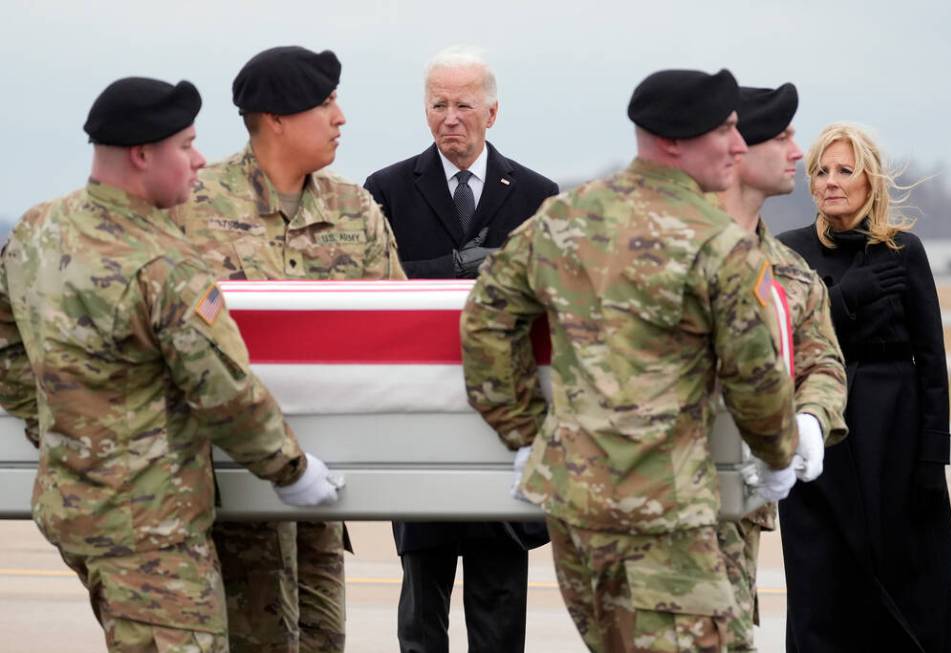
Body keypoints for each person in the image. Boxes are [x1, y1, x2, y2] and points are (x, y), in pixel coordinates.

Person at [461, 68, 803, 653]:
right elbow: (756, 377)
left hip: (574, 508)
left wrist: (524, 433)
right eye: (724, 131)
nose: (739, 145)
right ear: (674, 142)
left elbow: (485, 318)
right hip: (664, 519)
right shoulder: (717, 243)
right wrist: (779, 454)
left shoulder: (565, 218)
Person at [0, 77, 340, 653]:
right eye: (185, 146)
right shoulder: (161, 261)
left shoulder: (38, 229)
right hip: (150, 526)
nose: (200, 160)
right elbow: (225, 393)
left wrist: (65, 426)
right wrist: (293, 469)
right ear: (142, 155)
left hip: (73, 506)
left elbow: (7, 344)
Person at [172, 47, 405, 653]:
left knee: (324, 641)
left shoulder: (356, 209)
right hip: (225, 486)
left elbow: (400, 328)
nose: (341, 117)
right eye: (326, 102)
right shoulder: (191, 207)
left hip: (322, 490)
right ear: (276, 118)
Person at [363, 45, 558, 653]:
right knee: (423, 596)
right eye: (438, 104)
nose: (451, 117)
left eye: (464, 105)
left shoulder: (535, 192)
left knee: (499, 595)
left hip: (504, 419)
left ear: (491, 113)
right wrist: (450, 267)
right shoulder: (388, 188)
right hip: (422, 408)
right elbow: (376, 282)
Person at [778, 123, 951, 652]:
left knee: (914, 585)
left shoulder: (904, 251)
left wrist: (934, 457)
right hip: (823, 445)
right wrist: (842, 299)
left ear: (871, 180)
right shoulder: (789, 251)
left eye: (845, 170)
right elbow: (780, 344)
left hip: (897, 442)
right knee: (824, 587)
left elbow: (932, 360)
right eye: (821, 170)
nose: (831, 182)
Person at [714, 84, 848, 652]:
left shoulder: (789, 274)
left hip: (736, 523)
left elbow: (822, 359)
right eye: (784, 137)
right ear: (739, 150)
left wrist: (813, 418)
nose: (799, 153)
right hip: (649, 515)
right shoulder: (653, 250)